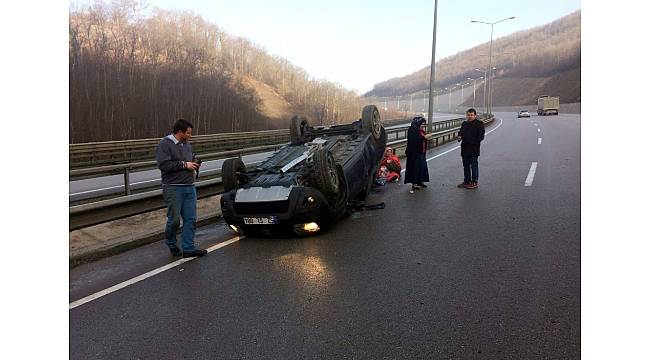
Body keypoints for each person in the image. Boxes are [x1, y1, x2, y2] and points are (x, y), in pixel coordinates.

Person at [155, 119, 207, 258]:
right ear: (180, 132)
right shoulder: (165, 144)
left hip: (189, 187)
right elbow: (164, 165)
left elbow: (190, 158)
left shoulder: (187, 145)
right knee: (175, 220)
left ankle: (188, 248)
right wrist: (185, 165)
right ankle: (171, 243)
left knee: (190, 219)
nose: (190, 135)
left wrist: (195, 162)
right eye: (188, 133)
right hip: (173, 188)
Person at [457, 108, 485, 189]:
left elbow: (481, 136)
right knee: (466, 166)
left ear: (475, 115)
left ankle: (474, 182)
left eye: (471, 115)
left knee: (474, 166)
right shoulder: (464, 123)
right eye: (468, 115)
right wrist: (459, 136)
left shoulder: (479, 124)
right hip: (464, 148)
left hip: (473, 149)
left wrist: (473, 142)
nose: (469, 116)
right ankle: (467, 181)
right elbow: (460, 132)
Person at [404, 116, 430, 191]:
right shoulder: (412, 130)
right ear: (418, 123)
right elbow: (415, 140)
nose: (423, 126)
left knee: (421, 168)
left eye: (424, 124)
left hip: (421, 152)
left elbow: (421, 139)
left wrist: (425, 137)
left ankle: (420, 181)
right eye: (422, 124)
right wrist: (425, 137)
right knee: (415, 168)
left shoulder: (420, 130)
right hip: (414, 153)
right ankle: (414, 183)